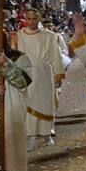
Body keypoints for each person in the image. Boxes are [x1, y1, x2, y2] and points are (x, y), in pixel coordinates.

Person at [0, 26, 33, 171]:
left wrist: (5, 64)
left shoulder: (19, 57)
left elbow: (22, 81)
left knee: (12, 144)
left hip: (11, 104)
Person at [17, 8, 66, 149]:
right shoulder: (21, 35)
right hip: (28, 73)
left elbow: (55, 55)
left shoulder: (49, 36)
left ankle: (46, 133)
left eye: (34, 18)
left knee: (45, 103)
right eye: (29, 18)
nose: (31, 21)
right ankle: (31, 135)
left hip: (44, 73)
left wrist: (58, 73)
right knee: (29, 103)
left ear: (39, 19)